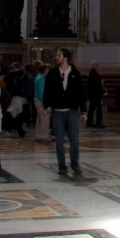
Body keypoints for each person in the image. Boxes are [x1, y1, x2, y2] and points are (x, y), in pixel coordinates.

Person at [43, 47, 87, 175]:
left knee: (74, 139)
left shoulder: (75, 73)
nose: (56, 57)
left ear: (65, 58)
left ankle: (75, 164)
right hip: (57, 111)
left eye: (59, 55)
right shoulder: (52, 73)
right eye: (56, 55)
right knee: (59, 140)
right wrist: (47, 105)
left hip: (71, 110)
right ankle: (62, 166)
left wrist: (83, 109)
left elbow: (80, 92)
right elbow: (48, 90)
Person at [33, 63, 51, 141]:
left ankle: (38, 134)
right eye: (47, 69)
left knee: (40, 118)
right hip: (41, 101)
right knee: (45, 118)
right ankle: (43, 136)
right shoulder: (41, 79)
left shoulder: (38, 77)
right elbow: (42, 92)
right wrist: (45, 102)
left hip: (37, 100)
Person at [86, 60, 104, 128]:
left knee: (92, 109)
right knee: (98, 108)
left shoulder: (93, 72)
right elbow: (94, 84)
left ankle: (90, 122)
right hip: (95, 94)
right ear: (93, 65)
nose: (98, 66)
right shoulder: (93, 73)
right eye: (96, 64)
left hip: (94, 94)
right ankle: (98, 123)